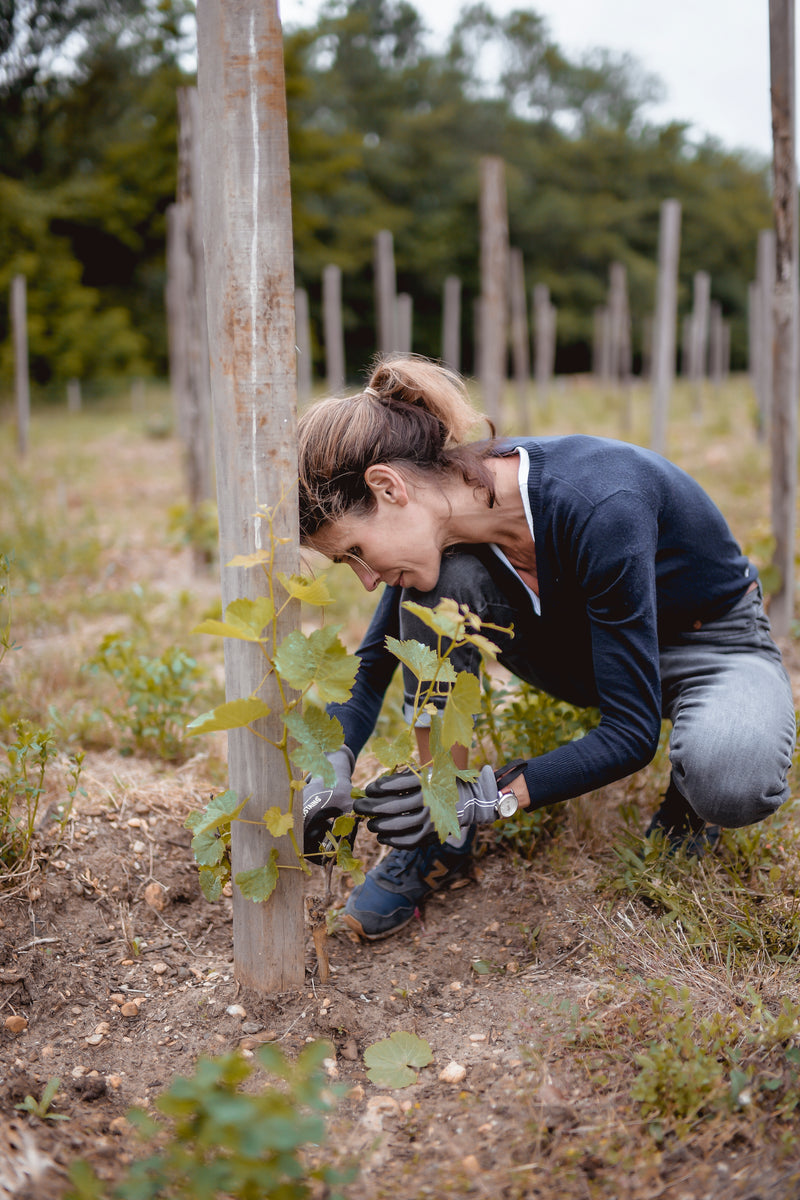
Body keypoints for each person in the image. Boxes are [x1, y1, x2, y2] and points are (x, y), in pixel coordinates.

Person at [298, 355, 796, 941]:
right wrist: (327, 772)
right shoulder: (446, 529)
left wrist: (484, 797)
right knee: (438, 593)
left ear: (389, 487)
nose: (364, 578)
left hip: (707, 644)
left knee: (732, 774)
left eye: (355, 550)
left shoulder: (598, 501)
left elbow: (630, 735)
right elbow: (376, 660)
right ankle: (441, 838)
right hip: (584, 647)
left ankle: (688, 801)